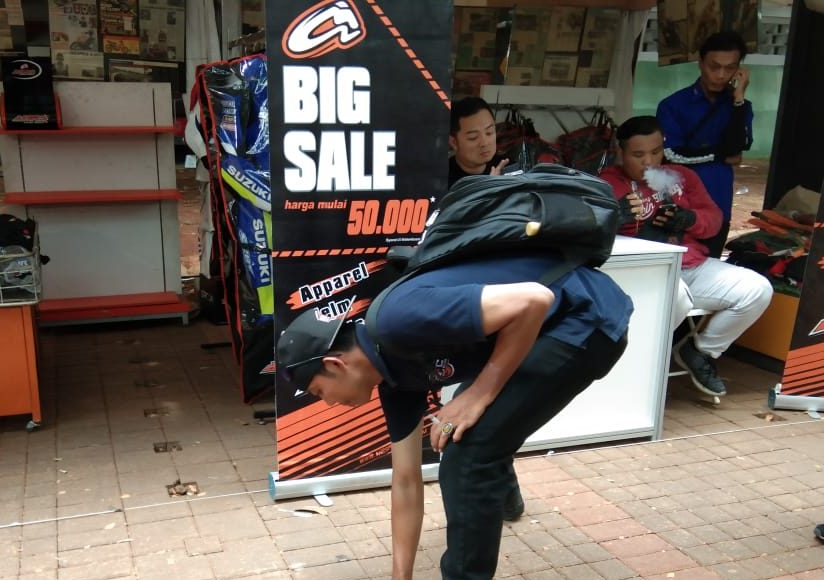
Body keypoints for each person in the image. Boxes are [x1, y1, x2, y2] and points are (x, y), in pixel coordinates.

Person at [277, 255, 632, 578]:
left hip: (584, 317)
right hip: (542, 328)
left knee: (468, 456)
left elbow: (534, 299)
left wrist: (480, 394)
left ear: (335, 364)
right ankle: (506, 501)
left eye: (320, 392)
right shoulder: (395, 382)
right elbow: (405, 481)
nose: (329, 403)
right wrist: (401, 576)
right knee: (461, 422)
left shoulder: (397, 320)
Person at [600, 116, 771, 397]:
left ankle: (701, 351)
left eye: (656, 152)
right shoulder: (607, 184)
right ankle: (633, 365)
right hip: (643, 273)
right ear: (620, 152)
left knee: (757, 289)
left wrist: (689, 219)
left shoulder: (682, 177)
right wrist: (614, 216)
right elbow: (589, 231)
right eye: (638, 155)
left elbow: (714, 220)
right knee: (675, 295)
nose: (649, 162)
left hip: (690, 264)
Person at [657, 30, 753, 258]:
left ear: (739, 70)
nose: (721, 75)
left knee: (711, 263)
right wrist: (719, 155)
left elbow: (738, 146)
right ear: (700, 63)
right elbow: (671, 154)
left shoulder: (740, 106)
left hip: (719, 201)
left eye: (729, 68)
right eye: (714, 66)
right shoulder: (673, 105)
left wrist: (739, 97)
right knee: (675, 265)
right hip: (680, 201)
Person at [448, 97, 509, 186]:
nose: (485, 143)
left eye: (489, 132)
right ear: (454, 142)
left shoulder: (507, 167)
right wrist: (489, 188)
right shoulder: (440, 180)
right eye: (473, 137)